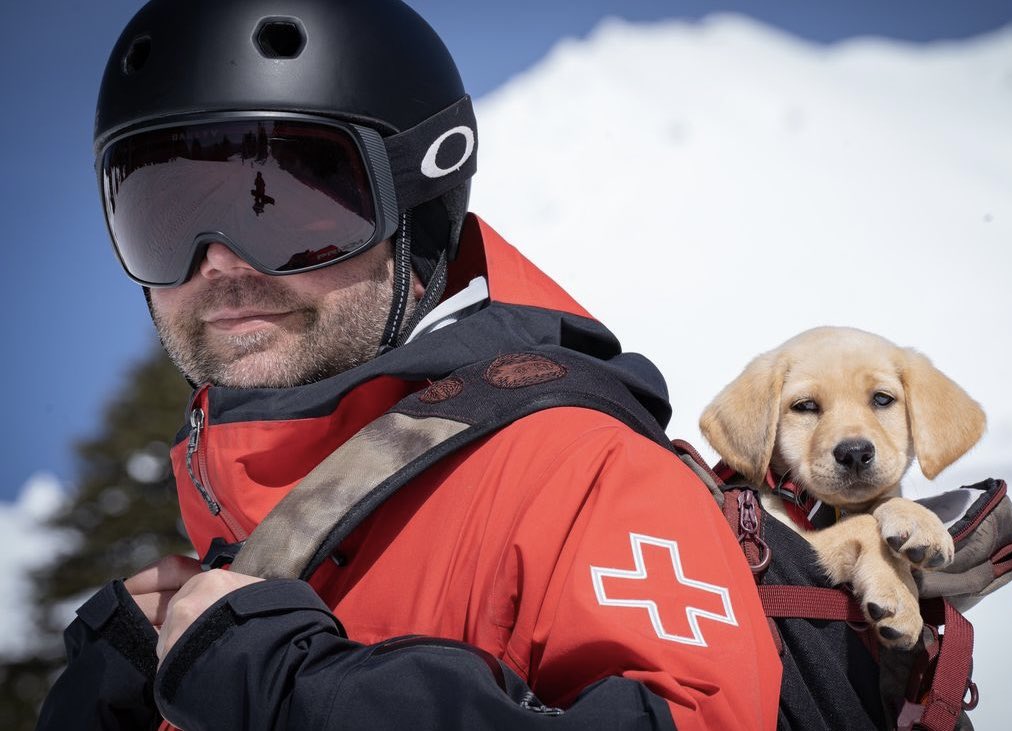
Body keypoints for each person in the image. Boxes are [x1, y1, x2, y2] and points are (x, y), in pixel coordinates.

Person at [38, 0, 781, 728]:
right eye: (161, 217)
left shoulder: (578, 472)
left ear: (416, 214)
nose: (220, 262)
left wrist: (306, 695)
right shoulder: (228, 535)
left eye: (285, 208)